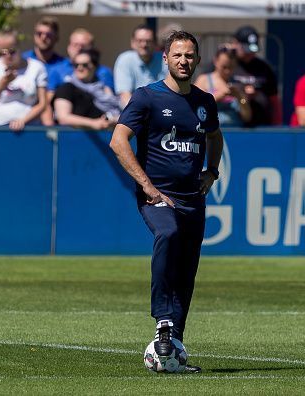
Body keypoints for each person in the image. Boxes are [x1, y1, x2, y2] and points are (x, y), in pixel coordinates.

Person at [109, 30, 223, 373]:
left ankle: (173, 348)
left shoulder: (205, 102)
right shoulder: (147, 97)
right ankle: (162, 319)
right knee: (168, 234)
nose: (183, 61)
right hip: (158, 196)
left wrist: (212, 171)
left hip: (193, 198)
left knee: (187, 270)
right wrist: (147, 186)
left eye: (189, 56)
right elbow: (118, 141)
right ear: (166, 59)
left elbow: (216, 136)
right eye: (177, 55)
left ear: (197, 60)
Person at [0, 28, 47, 131]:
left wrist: (23, 120)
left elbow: (42, 104)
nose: (8, 56)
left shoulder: (36, 67)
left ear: (19, 47)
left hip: (29, 127)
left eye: (12, 51)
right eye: (3, 52)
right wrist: (1, 86)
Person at [53, 48, 119, 130]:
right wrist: (93, 123)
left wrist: (112, 119)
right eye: (76, 65)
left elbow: (117, 112)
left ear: (94, 67)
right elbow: (63, 118)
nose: (80, 68)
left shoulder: (104, 89)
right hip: (73, 138)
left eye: (85, 65)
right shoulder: (66, 88)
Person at [229, 25, 281, 126]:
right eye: (245, 49)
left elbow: (274, 100)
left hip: (262, 125)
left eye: (252, 50)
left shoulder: (265, 67)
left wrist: (277, 124)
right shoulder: (226, 64)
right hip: (233, 126)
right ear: (235, 43)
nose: (249, 53)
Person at [23, 16, 66, 126]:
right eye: (39, 33)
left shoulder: (65, 65)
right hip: (23, 118)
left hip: (55, 120)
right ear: (34, 36)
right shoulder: (23, 62)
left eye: (49, 34)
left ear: (56, 38)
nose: (43, 37)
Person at [194, 45, 251, 127]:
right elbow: (196, 107)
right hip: (212, 133)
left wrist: (239, 97)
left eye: (231, 67)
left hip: (235, 132)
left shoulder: (238, 83)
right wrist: (218, 96)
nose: (227, 71)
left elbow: (247, 117)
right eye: (224, 67)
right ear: (215, 61)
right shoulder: (204, 80)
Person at [114, 25, 168, 108]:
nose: (144, 44)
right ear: (132, 43)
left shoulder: (165, 59)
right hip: (134, 112)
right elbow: (125, 96)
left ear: (155, 43)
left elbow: (171, 92)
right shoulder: (125, 59)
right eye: (140, 41)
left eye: (148, 41)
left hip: (162, 110)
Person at [48, 28, 115, 95]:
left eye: (83, 46)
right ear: (69, 47)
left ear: (92, 49)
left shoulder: (103, 72)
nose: (79, 49)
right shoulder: (57, 70)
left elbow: (109, 100)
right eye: (75, 45)